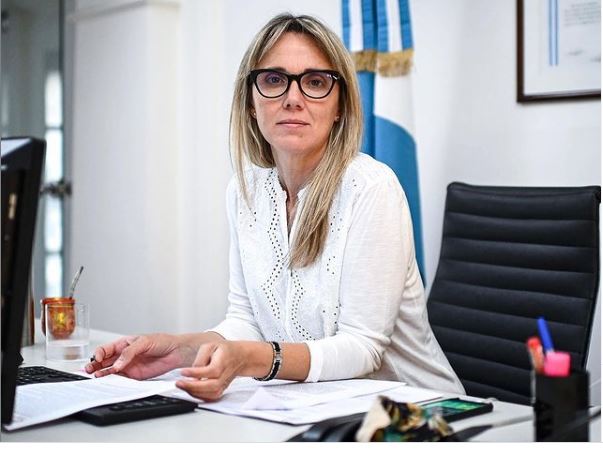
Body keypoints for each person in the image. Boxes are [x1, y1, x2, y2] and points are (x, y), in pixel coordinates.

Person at [85, 13, 465, 400]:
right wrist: (178, 351)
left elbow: (362, 347)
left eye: (315, 82)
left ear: (340, 106)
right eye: (273, 80)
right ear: (251, 102)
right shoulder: (245, 191)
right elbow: (246, 321)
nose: (293, 99)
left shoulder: (371, 188)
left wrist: (253, 359)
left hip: (420, 410)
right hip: (318, 407)